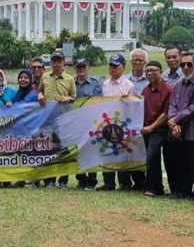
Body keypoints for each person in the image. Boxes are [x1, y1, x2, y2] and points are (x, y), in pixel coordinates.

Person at [167, 51, 194, 202]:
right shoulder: (178, 84)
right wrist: (173, 123)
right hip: (178, 131)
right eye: (183, 64)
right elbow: (172, 104)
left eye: (189, 64)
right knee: (181, 162)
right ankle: (184, 191)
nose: (186, 67)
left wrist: (176, 120)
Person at [37, 50, 76, 189]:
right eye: (54, 61)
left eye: (59, 61)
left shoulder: (70, 79)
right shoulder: (45, 76)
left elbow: (74, 98)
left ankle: (63, 180)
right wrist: (40, 95)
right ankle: (49, 180)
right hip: (48, 120)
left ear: (64, 62)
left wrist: (69, 98)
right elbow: (39, 90)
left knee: (63, 149)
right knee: (48, 150)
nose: (56, 63)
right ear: (51, 63)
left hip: (64, 119)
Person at [99, 54, 137, 191]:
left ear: (123, 67)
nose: (113, 68)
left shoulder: (129, 85)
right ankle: (108, 183)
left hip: (123, 123)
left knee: (121, 154)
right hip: (107, 123)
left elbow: (134, 107)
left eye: (116, 66)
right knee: (107, 153)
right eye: (111, 65)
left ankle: (124, 183)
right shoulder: (105, 84)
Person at [141, 61, 172, 197]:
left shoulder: (168, 90)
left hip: (159, 130)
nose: (150, 73)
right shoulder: (145, 90)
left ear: (160, 72)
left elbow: (167, 112)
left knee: (152, 155)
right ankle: (156, 186)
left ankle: (152, 188)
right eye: (147, 71)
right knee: (147, 157)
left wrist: (152, 127)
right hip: (145, 129)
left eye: (153, 70)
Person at [73, 58, 102, 190]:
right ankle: (81, 179)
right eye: (79, 67)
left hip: (91, 123)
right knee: (78, 151)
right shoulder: (70, 83)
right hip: (75, 123)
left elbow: (98, 101)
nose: (81, 69)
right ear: (75, 69)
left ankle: (92, 180)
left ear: (88, 68)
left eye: (84, 67)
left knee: (91, 151)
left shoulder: (95, 84)